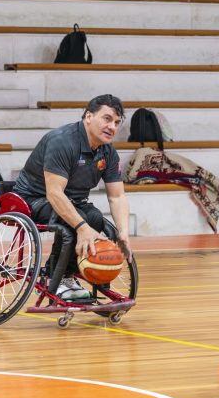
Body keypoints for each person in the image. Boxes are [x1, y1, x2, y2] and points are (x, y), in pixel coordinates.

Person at [13, 94, 133, 300]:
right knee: (78, 223)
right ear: (88, 117)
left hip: (72, 202)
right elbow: (54, 193)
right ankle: (55, 278)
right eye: (106, 119)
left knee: (94, 217)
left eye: (116, 122)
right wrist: (82, 228)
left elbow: (117, 196)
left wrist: (123, 233)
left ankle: (66, 276)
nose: (112, 126)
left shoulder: (108, 153)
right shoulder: (63, 141)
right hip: (32, 198)